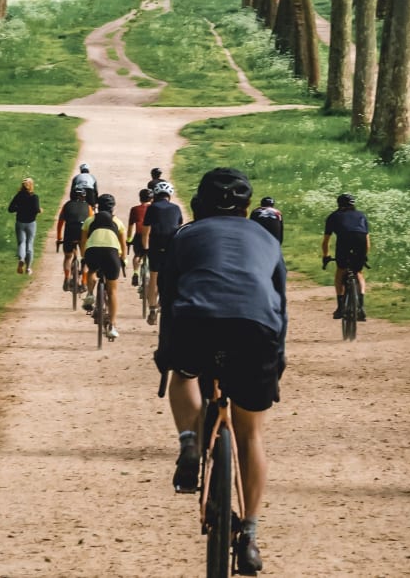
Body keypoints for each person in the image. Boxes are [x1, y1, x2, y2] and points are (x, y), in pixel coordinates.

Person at [154, 167, 287, 575]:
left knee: (185, 373)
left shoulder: (185, 235)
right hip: (256, 329)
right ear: (247, 207)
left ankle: (190, 442)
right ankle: (248, 534)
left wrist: (168, 356)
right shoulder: (266, 238)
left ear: (198, 204)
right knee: (250, 432)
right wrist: (275, 364)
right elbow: (279, 306)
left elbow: (169, 296)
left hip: (196, 321)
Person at [80, 193, 127, 339]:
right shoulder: (118, 222)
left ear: (98, 206)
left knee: (92, 270)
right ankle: (112, 326)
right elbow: (123, 245)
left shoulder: (90, 220)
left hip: (93, 250)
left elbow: (83, 241)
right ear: (113, 207)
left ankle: (89, 293)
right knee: (112, 291)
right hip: (111, 253)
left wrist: (84, 256)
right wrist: (123, 259)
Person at [321, 193, 370, 320]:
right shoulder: (361, 215)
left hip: (344, 239)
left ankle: (340, 307)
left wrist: (326, 256)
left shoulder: (333, 216)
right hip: (360, 240)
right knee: (358, 271)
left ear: (339, 204)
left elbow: (326, 240)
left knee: (341, 270)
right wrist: (364, 256)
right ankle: (361, 307)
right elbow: (367, 239)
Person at [141, 180, 183, 325]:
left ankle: (152, 307)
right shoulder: (176, 208)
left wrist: (145, 248)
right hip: (171, 246)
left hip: (156, 245)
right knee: (171, 276)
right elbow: (179, 228)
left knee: (153, 276)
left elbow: (145, 231)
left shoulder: (152, 208)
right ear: (170, 195)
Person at [56, 185, 93, 292]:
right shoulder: (88, 207)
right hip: (82, 233)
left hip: (70, 232)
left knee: (68, 257)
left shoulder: (66, 205)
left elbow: (60, 223)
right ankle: (84, 282)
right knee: (85, 258)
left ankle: (67, 278)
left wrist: (59, 238)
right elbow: (91, 223)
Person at [8, 177, 42, 275]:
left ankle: (21, 259)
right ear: (31, 186)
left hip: (20, 222)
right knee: (29, 244)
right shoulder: (34, 197)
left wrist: (19, 208)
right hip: (31, 223)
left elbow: (10, 209)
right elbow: (36, 209)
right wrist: (40, 210)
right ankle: (28, 268)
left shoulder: (18, 196)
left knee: (21, 243)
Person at [127, 188, 153, 286]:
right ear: (151, 199)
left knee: (137, 255)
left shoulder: (134, 209)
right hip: (151, 236)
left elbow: (130, 226)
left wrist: (129, 239)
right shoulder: (154, 208)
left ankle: (135, 273)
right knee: (153, 256)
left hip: (139, 235)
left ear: (140, 198)